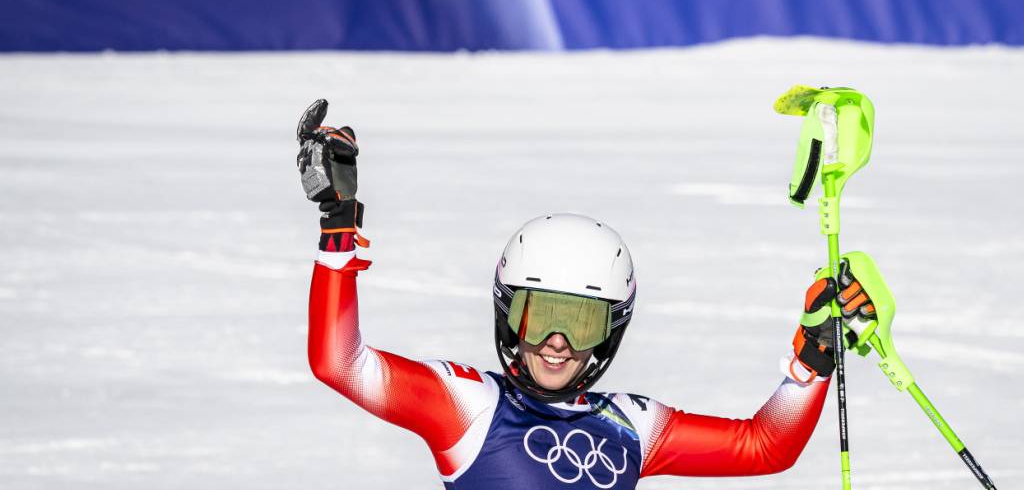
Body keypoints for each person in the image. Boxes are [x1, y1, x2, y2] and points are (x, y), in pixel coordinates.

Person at [296, 100, 878, 489]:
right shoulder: (466, 408)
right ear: (509, 317)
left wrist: (812, 359)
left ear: (613, 330)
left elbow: (764, 448)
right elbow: (338, 363)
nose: (557, 343)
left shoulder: (633, 425)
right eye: (541, 315)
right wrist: (338, 228)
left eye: (582, 322)